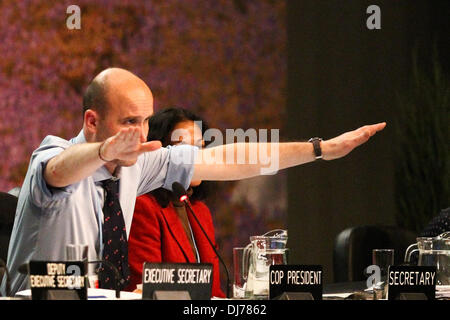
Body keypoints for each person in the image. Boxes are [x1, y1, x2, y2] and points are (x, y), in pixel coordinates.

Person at [0, 67, 386, 296]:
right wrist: (104, 152)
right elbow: (60, 171)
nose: (139, 133)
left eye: (145, 121)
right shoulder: (51, 154)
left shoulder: (137, 162)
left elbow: (224, 159)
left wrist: (319, 149)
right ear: (91, 121)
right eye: (128, 122)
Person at [126, 107, 225, 297]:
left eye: (200, 147)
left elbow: (214, 291)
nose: (196, 157)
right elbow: (145, 288)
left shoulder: (200, 211)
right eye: (185, 148)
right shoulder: (144, 207)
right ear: (162, 155)